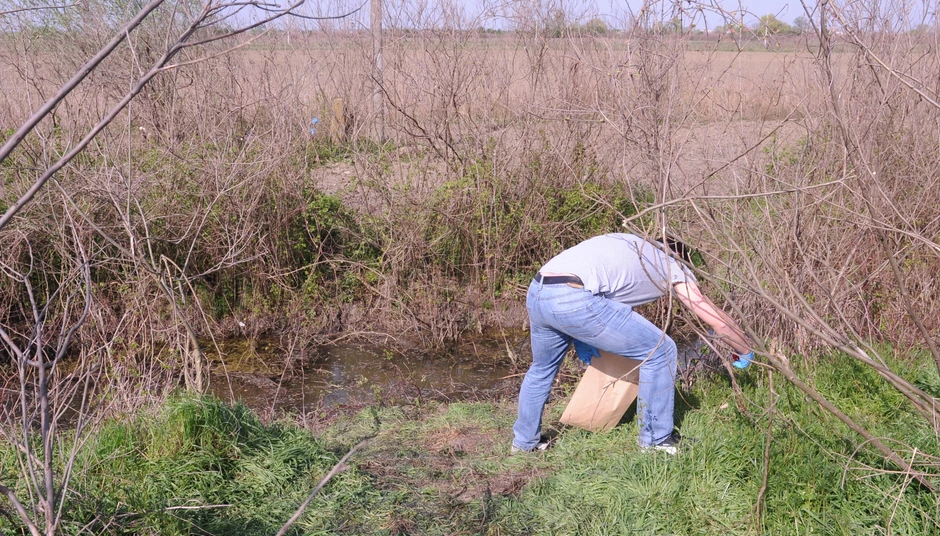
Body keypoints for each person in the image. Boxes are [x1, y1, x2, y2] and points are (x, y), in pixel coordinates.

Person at [512, 233, 754, 454]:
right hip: (574, 297)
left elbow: (608, 291)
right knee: (662, 350)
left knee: (542, 369)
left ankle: (524, 443)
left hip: (539, 290)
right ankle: (656, 441)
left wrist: (580, 337)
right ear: (680, 255)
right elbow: (712, 317)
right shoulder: (671, 263)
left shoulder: (629, 242)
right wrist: (744, 350)